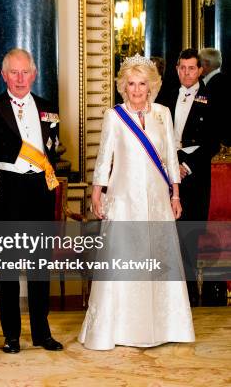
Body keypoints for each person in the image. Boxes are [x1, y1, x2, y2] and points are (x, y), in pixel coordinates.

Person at [79, 55, 195, 349]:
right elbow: (105, 156)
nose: (137, 89)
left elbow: (170, 157)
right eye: (131, 84)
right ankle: (118, 330)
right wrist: (97, 191)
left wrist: (176, 194)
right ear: (123, 86)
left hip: (157, 199)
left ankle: (166, 327)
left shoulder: (162, 114)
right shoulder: (114, 116)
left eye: (142, 83)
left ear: (151, 86)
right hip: (124, 198)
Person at [0, 48, 64, 353]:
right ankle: (11, 334)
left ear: (34, 74)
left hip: (39, 191)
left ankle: (42, 332)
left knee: (40, 265)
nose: (20, 78)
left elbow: (53, 149)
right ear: (4, 75)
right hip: (6, 191)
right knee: (9, 267)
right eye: (14, 72)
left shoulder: (49, 108)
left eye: (26, 72)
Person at [156, 48, 219, 303]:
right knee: (167, 237)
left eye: (191, 68)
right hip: (166, 175)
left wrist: (186, 166)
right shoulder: (168, 96)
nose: (186, 72)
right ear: (177, 69)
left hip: (195, 177)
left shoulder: (212, 97)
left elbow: (213, 142)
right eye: (182, 68)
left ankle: (191, 300)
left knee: (189, 239)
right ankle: (170, 299)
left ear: (200, 69)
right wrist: (169, 165)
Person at [199, 48, 230, 146]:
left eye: (199, 62)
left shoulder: (217, 83)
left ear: (206, 64)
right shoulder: (223, 80)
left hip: (218, 141)